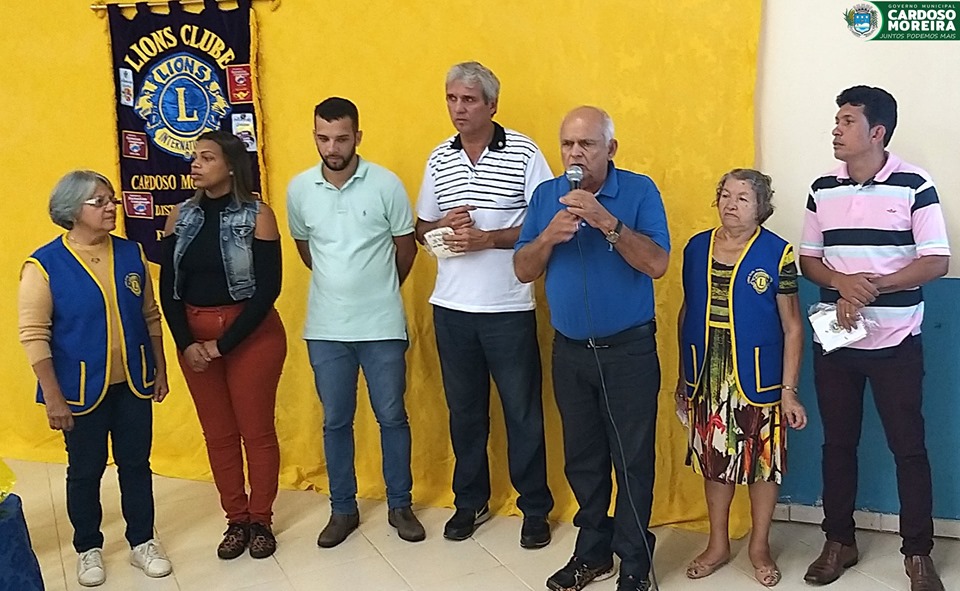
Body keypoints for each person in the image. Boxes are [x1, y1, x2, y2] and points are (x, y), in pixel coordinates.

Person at [799, 86, 949, 590]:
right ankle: (838, 541)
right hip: (836, 342)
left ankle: (918, 553)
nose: (836, 129)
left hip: (896, 343)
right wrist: (840, 282)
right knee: (837, 444)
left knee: (909, 448)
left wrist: (871, 287)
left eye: (847, 121)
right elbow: (810, 260)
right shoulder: (822, 187)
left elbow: (936, 260)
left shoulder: (914, 184)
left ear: (877, 132)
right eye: (836, 120)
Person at [514, 106, 669, 591]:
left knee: (632, 459)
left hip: (629, 352)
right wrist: (546, 237)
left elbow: (658, 264)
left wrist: (608, 223)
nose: (575, 154)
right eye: (568, 144)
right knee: (582, 459)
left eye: (587, 144)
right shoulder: (546, 196)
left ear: (611, 149)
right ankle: (592, 552)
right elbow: (522, 269)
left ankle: (636, 559)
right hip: (570, 352)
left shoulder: (640, 191)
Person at [415, 61, 554, 547]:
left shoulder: (525, 151)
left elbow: (546, 224)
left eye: (469, 100)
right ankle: (469, 502)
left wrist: (489, 239)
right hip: (451, 308)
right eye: (452, 98)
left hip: (508, 308)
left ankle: (534, 507)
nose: (458, 108)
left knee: (522, 413)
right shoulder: (439, 158)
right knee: (465, 413)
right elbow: (421, 230)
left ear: (492, 105)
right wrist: (440, 226)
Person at [19, 170, 173, 587]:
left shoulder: (131, 252)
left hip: (133, 383)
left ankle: (143, 541)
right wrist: (53, 396)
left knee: (136, 464)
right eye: (99, 202)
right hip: (79, 388)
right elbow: (34, 334)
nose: (111, 208)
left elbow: (150, 315)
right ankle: (88, 547)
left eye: (112, 200)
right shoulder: (43, 265)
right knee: (85, 471)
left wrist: (159, 367)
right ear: (72, 210)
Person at [287, 97, 424, 548]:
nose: (332, 147)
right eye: (323, 138)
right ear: (315, 137)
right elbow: (306, 250)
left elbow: (406, 248)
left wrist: (378, 288)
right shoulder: (299, 189)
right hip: (326, 329)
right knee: (335, 422)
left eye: (342, 138)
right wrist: (341, 286)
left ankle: (400, 505)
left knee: (392, 416)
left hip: (382, 325)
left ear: (358, 137)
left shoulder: (386, 184)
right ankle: (342, 509)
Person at [676, 169, 807, 587]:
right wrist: (684, 376)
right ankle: (717, 544)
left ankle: (759, 547)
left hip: (758, 374)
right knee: (715, 460)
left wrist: (789, 392)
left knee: (763, 464)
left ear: (761, 208)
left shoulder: (777, 253)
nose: (731, 205)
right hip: (707, 371)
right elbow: (686, 311)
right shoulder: (697, 247)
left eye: (743, 198)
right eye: (725, 195)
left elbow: (793, 327)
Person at [159, 131, 286, 560]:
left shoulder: (258, 215)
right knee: (218, 435)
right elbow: (169, 288)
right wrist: (187, 344)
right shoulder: (179, 216)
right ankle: (236, 519)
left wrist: (223, 345)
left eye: (206, 157)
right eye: (194, 157)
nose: (195, 164)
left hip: (251, 333)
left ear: (230, 166)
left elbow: (269, 289)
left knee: (256, 431)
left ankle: (260, 520)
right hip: (195, 336)